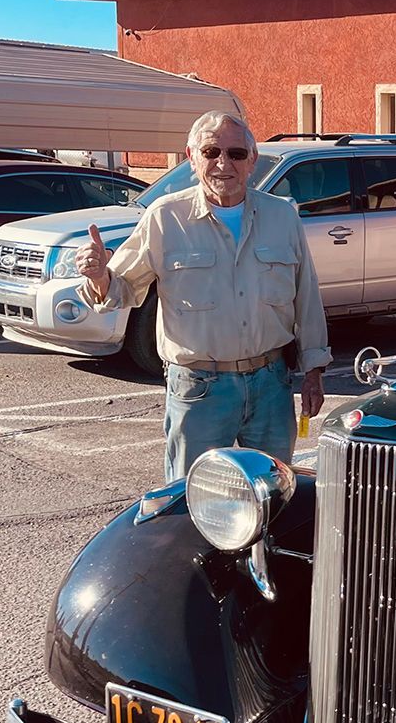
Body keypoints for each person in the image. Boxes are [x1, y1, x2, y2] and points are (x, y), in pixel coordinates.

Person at [75, 111, 330, 480]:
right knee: (189, 502)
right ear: (191, 157)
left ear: (252, 160)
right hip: (199, 389)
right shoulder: (165, 218)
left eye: (236, 153)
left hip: (271, 385)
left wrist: (314, 371)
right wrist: (99, 275)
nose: (223, 163)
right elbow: (121, 289)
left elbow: (306, 298)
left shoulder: (282, 217)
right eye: (211, 152)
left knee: (275, 496)